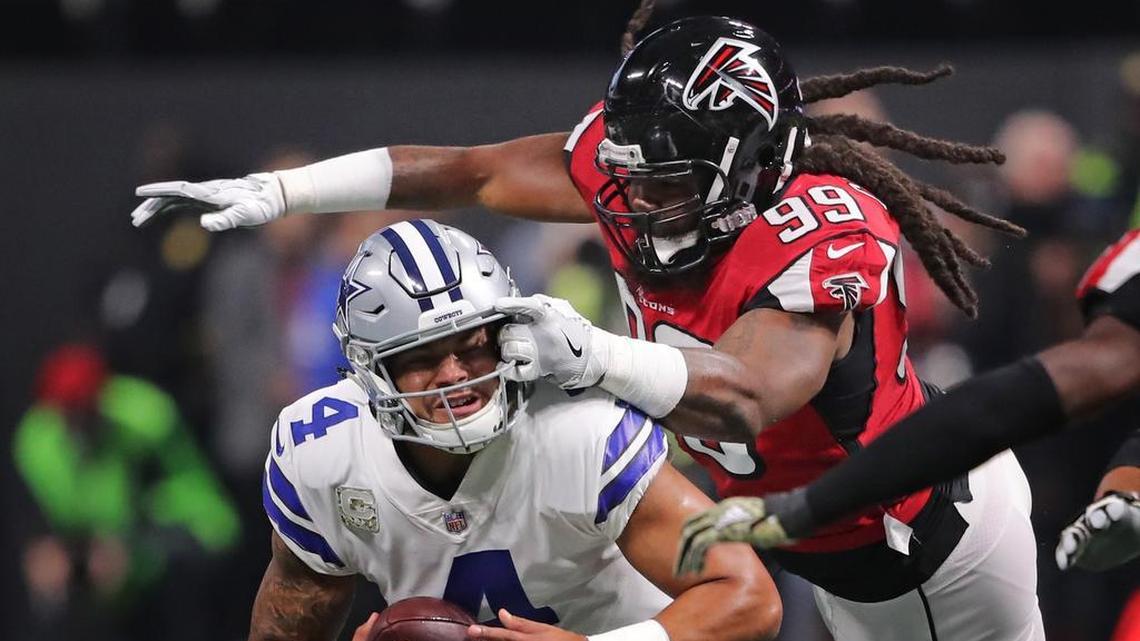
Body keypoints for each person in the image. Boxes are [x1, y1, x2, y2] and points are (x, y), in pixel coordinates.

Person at [131, 15, 1041, 641]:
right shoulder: (641, 174)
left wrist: (594, 353)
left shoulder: (823, 227)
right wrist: (286, 190)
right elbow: (475, 172)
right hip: (818, 537)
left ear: (754, 167)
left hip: (922, 545)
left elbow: (751, 401)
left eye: (668, 183)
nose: (633, 202)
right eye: (630, 176)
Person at [250, 219, 781, 641]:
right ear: (370, 372)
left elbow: (747, 595)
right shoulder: (323, 452)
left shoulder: (578, 428)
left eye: (473, 344)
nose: (454, 372)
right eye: (421, 356)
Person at [674, 227, 1140, 575]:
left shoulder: (834, 239)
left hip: (923, 519)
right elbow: (1014, 405)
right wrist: (1128, 486)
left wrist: (808, 507)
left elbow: (1007, 407)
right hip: (889, 514)